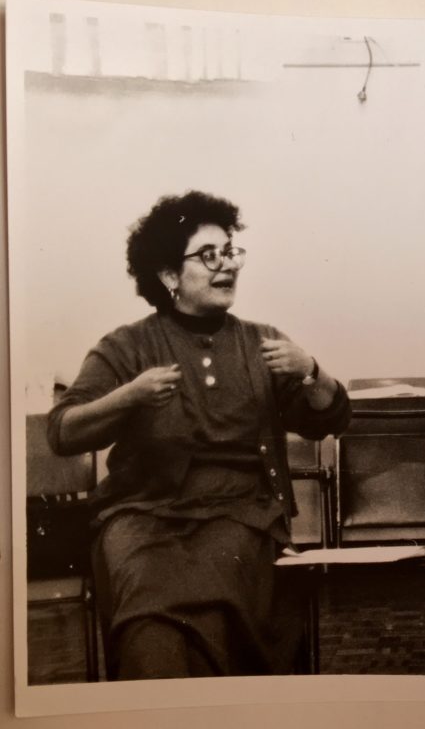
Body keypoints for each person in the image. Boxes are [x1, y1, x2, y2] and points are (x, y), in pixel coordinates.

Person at [47, 191, 351, 679]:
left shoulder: (262, 341)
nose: (225, 265)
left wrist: (313, 371)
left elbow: (327, 421)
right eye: (208, 255)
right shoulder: (126, 345)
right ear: (169, 275)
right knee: (146, 611)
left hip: (240, 513)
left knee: (216, 591)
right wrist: (129, 397)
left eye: (230, 252)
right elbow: (63, 431)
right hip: (142, 512)